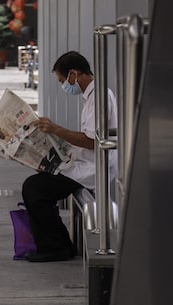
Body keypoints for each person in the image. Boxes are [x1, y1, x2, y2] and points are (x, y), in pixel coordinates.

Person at [22, 51, 117, 262]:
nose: (64, 85)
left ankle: (54, 247)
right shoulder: (92, 96)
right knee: (38, 182)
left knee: (35, 188)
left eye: (63, 80)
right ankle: (60, 244)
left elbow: (92, 140)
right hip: (86, 163)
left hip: (94, 168)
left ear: (74, 74)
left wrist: (56, 129)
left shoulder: (99, 98)